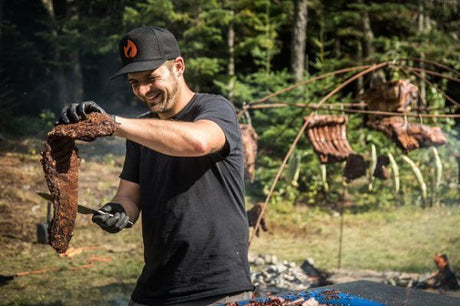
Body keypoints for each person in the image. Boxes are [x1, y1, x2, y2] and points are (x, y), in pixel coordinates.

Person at [56, 26, 255, 305]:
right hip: (154, 291)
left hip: (217, 291)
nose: (143, 90)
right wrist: (117, 211)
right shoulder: (139, 131)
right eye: (133, 83)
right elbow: (128, 197)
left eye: (151, 78)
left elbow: (198, 142)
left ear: (178, 67)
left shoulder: (214, 108)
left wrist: (112, 124)